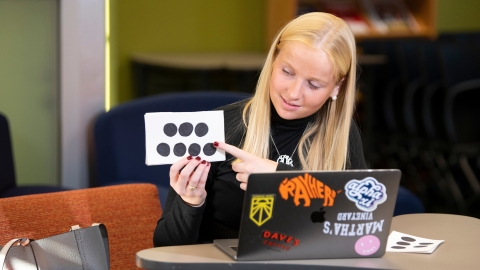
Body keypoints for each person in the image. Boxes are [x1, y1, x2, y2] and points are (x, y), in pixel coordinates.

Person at [153, 12, 366, 247]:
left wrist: (282, 179)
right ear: (273, 61)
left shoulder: (341, 135)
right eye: (287, 72)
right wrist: (190, 202)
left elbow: (357, 228)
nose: (294, 93)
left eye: (314, 84)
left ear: (337, 86)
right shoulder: (220, 127)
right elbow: (164, 248)